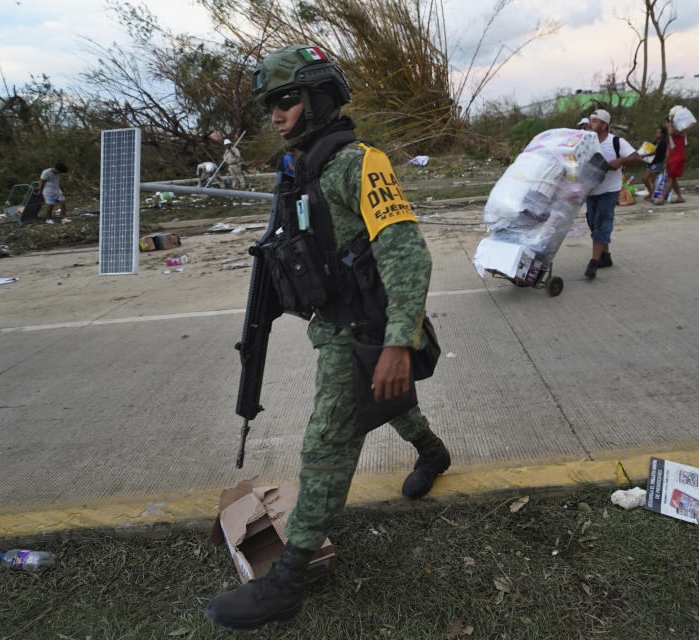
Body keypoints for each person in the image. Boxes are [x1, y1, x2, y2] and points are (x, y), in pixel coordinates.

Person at [205, 44, 451, 630]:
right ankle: (432, 450)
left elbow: (407, 256)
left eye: (286, 100)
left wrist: (398, 343)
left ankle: (286, 582)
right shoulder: (299, 169)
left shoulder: (360, 162)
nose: (276, 114)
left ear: (318, 99)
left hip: (367, 328)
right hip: (335, 325)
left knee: (325, 444)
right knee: (379, 405)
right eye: (270, 104)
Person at [583, 109, 641, 279]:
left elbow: (636, 157)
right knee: (592, 222)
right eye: (591, 120)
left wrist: (620, 161)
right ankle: (606, 257)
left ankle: (594, 262)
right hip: (591, 190)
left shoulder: (616, 142)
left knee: (602, 222)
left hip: (610, 190)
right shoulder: (586, 140)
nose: (590, 123)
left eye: (595, 121)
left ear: (604, 125)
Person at [655, 117, 686, 206]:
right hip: (672, 157)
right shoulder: (671, 134)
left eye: (667, 123)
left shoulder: (680, 130)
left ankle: (661, 199)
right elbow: (669, 147)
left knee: (670, 179)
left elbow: (671, 132)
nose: (666, 125)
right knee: (673, 179)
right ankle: (680, 197)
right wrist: (666, 160)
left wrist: (670, 122)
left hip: (678, 157)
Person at [642, 124, 668, 200]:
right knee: (645, 178)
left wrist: (644, 155)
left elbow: (655, 152)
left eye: (659, 132)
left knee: (653, 180)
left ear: (663, 134)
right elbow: (651, 149)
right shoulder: (656, 142)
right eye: (656, 132)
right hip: (651, 163)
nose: (657, 134)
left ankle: (653, 195)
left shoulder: (663, 143)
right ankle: (651, 193)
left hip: (657, 163)